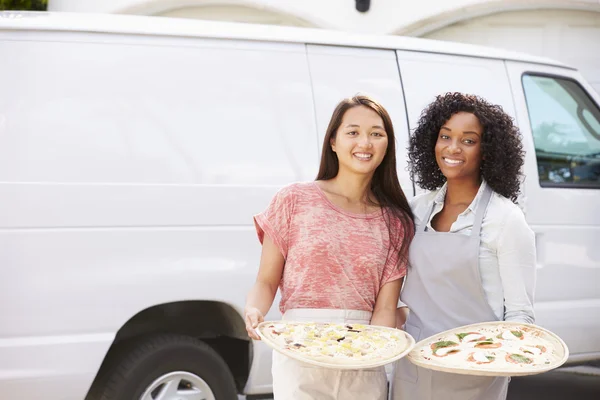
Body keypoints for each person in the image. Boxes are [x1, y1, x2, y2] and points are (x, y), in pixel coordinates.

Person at [244, 94, 414, 400]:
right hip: (299, 350)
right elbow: (266, 281)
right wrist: (254, 309)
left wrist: (375, 351)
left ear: (387, 145)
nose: (365, 142)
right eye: (353, 132)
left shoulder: (395, 221)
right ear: (333, 142)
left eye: (376, 133)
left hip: (364, 353)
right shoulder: (294, 199)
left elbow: (385, 308)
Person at [392, 92, 537, 400]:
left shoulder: (506, 220)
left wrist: (498, 359)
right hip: (415, 363)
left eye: (469, 140)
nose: (453, 148)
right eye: (445, 137)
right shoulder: (416, 210)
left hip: (475, 370)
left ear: (488, 151)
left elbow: (520, 313)